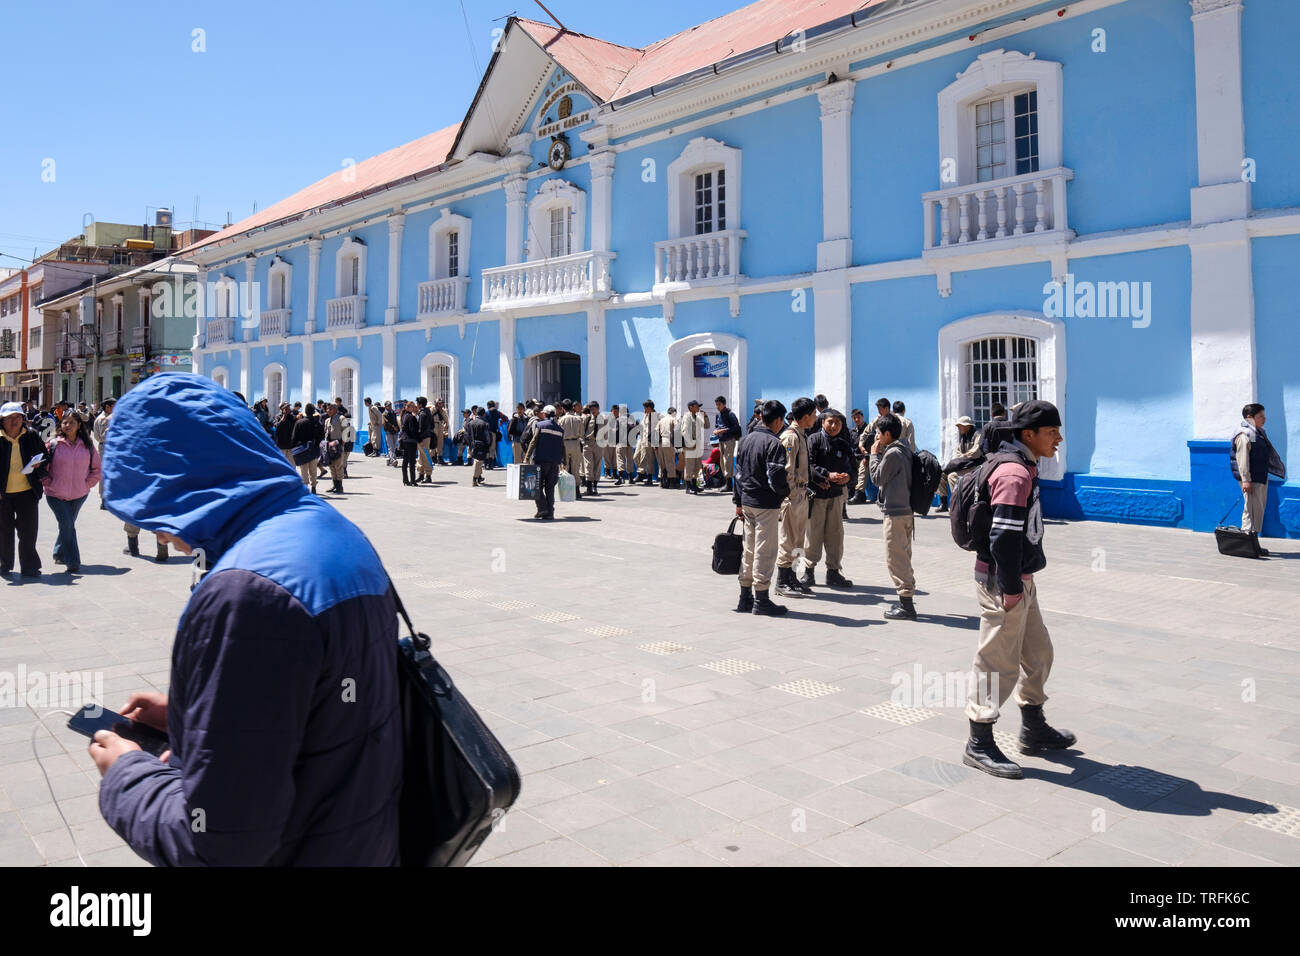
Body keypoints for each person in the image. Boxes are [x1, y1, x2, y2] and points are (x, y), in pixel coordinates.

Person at [89, 373, 401, 865]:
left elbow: (219, 844)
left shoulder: (245, 592)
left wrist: (127, 773)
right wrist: (197, 717)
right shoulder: (329, 526)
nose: (163, 533)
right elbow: (320, 702)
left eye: (153, 503)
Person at [964, 399, 1076, 779]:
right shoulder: (1014, 473)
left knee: (1038, 652)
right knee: (997, 661)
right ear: (1028, 435)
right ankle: (979, 741)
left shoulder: (1023, 465)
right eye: (1051, 432)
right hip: (1003, 583)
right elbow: (1003, 537)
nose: (1058, 438)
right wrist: (1011, 588)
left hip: (1019, 581)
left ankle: (1033, 725)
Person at [733, 400, 790, 616]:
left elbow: (737, 474)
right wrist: (785, 492)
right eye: (781, 420)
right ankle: (762, 599)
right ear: (776, 420)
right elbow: (775, 476)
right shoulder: (774, 444)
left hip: (747, 501)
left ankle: (744, 596)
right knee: (764, 551)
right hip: (766, 504)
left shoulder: (746, 439)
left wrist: (738, 501)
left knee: (749, 549)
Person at [41, 409, 102, 574]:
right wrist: (48, 483)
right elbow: (42, 468)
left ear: (79, 425)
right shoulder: (53, 444)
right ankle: (73, 561)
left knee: (67, 525)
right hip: (55, 494)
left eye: (71, 422)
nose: (67, 425)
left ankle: (59, 552)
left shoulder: (87, 445)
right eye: (65, 422)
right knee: (67, 525)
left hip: (79, 495)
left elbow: (97, 469)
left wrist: (87, 484)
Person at [870, 412, 917, 620]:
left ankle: (906, 604)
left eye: (879, 433)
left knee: (896, 558)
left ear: (887, 434)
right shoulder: (905, 448)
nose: (877, 438)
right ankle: (905, 601)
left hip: (895, 513)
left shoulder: (892, 454)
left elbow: (877, 477)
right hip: (906, 511)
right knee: (903, 556)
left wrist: (874, 454)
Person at [804, 407, 856, 589]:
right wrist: (826, 475)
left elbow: (852, 467)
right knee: (813, 534)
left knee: (835, 534)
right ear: (823, 422)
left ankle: (833, 572)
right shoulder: (813, 440)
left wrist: (848, 477)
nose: (834, 426)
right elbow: (808, 465)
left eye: (838, 423)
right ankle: (808, 571)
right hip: (816, 496)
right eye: (830, 422)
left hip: (836, 496)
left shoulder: (843, 443)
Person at [1, 402, 50, 577]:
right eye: (10, 418)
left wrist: (39, 464)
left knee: (28, 531)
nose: (14, 421)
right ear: (2, 420)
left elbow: (45, 456)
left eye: (18, 417)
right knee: (3, 531)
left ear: (23, 418)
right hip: (2, 494)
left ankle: (30, 566)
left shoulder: (31, 435)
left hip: (27, 492)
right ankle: (4, 564)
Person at [775, 398, 816, 598]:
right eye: (814, 414)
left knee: (799, 540)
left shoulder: (802, 435)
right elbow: (786, 470)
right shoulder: (790, 437)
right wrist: (791, 495)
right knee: (788, 540)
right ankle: (782, 581)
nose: (815, 418)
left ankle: (792, 577)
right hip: (793, 496)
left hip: (802, 493)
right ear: (806, 416)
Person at [1231, 403, 1285, 547]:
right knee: (1251, 512)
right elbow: (1242, 460)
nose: (1264, 419)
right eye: (1261, 416)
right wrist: (1246, 480)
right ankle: (1247, 547)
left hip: (1259, 477)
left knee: (1257, 512)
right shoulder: (1244, 434)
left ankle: (1253, 545)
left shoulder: (1257, 432)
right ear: (1249, 417)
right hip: (1251, 479)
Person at [850, 398, 891, 505]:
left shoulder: (893, 420)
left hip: (889, 452)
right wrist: (861, 444)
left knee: (886, 473)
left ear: (886, 409)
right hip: (876, 452)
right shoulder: (878, 420)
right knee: (864, 466)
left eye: (880, 409)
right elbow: (866, 431)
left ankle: (885, 496)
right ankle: (859, 494)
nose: (878, 412)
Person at [939, 416, 983, 512]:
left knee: (952, 476)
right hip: (964, 464)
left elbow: (977, 451)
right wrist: (964, 456)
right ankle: (944, 503)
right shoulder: (963, 438)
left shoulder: (977, 435)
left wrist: (966, 455)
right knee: (940, 475)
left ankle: (958, 502)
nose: (959, 428)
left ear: (967, 426)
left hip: (973, 466)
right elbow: (958, 452)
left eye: (960, 426)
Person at [530, 405, 565, 519]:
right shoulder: (560, 429)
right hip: (554, 462)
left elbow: (533, 442)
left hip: (541, 460)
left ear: (544, 414)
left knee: (536, 486)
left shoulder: (540, 425)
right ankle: (550, 513)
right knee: (550, 489)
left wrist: (526, 458)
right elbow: (562, 447)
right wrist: (563, 461)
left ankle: (542, 508)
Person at [680, 399, 711, 496]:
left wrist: (705, 416)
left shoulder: (697, 417)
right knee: (689, 466)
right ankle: (688, 487)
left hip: (697, 446)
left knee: (696, 466)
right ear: (691, 407)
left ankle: (694, 485)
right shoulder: (687, 417)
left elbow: (707, 426)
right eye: (697, 406)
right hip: (690, 446)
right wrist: (690, 443)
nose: (698, 408)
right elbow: (685, 432)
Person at [292, 404, 324, 493]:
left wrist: (294, 448)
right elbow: (322, 436)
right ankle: (314, 487)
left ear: (305, 412)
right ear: (314, 412)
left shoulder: (299, 423)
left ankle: (305, 487)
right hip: (314, 449)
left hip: (302, 449)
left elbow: (294, 438)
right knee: (313, 469)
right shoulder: (317, 423)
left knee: (304, 470)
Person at [558, 400, 586, 499]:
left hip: (565, 443)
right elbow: (582, 433)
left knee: (565, 467)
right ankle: (577, 491)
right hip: (576, 443)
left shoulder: (561, 419)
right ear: (572, 407)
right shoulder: (579, 418)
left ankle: (566, 491)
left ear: (563, 408)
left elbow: (559, 434)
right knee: (576, 467)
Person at [713, 396, 742, 491]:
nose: (717, 407)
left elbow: (736, 427)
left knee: (728, 461)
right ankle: (725, 481)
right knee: (722, 462)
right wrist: (716, 431)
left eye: (719, 405)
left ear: (724, 404)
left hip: (729, 440)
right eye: (716, 405)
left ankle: (729, 484)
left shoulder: (730, 414)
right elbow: (717, 425)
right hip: (721, 440)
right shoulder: (718, 415)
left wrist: (724, 430)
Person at [92, 397, 115, 510]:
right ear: (107, 407)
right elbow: (104, 435)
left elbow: (96, 435)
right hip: (107, 447)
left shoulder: (100, 418)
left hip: (104, 447)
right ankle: (105, 499)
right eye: (114, 406)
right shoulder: (106, 419)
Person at [323, 403, 347, 495]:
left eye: (330, 409)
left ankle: (339, 486)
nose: (327, 411)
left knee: (338, 466)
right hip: (329, 445)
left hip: (338, 444)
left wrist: (342, 444)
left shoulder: (342, 418)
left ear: (335, 409)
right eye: (327, 409)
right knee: (331, 466)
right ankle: (334, 485)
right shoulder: (327, 420)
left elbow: (346, 431)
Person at [465, 406, 493, 487]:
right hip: (482, 445)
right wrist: (488, 444)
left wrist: (470, 444)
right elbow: (487, 436)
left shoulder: (470, 423)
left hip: (473, 444)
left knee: (477, 461)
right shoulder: (484, 424)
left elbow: (467, 435)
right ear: (484, 414)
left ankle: (479, 477)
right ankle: (475, 478)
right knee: (478, 461)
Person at [634, 400, 659, 487]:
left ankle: (649, 478)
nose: (644, 410)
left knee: (649, 459)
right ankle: (642, 473)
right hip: (642, 439)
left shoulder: (657, 416)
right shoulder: (646, 415)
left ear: (649, 408)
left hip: (650, 440)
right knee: (636, 457)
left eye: (645, 408)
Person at [582, 401, 604, 495]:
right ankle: (589, 487)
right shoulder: (587, 419)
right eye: (591, 409)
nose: (592, 411)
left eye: (594, 409)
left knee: (597, 465)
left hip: (599, 444)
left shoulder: (604, 419)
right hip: (588, 444)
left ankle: (595, 485)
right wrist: (583, 442)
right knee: (588, 465)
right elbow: (582, 431)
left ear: (598, 408)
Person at [398, 401, 421, 486]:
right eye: (413, 406)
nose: (414, 408)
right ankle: (413, 480)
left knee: (405, 461)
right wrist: (418, 438)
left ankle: (405, 480)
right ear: (408, 407)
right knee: (411, 462)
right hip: (411, 441)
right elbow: (413, 430)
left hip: (404, 440)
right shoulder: (411, 417)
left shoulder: (404, 416)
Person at [657, 406, 680, 489]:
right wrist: (677, 444)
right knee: (670, 462)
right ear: (674, 412)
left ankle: (662, 482)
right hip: (668, 441)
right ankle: (671, 483)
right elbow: (677, 430)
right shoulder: (673, 419)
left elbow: (656, 431)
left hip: (660, 443)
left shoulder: (661, 420)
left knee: (662, 463)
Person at [415, 397, 434, 484]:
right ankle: (421, 474)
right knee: (422, 456)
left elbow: (420, 428)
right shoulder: (428, 412)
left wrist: (419, 438)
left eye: (417, 403)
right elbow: (433, 425)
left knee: (425, 456)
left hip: (422, 438)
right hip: (426, 436)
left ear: (420, 404)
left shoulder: (422, 414)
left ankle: (428, 475)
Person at [383, 401, 401, 467]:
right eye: (388, 405)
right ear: (385, 406)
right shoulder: (384, 414)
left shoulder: (393, 412)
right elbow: (386, 424)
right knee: (391, 447)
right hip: (389, 432)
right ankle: (393, 460)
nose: (390, 406)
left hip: (395, 432)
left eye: (390, 405)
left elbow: (396, 421)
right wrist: (393, 427)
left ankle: (389, 460)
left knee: (394, 447)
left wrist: (397, 428)